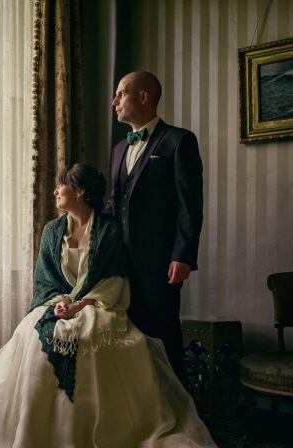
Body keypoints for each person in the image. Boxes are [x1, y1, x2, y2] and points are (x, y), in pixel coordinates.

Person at [0, 163, 236, 448]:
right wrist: (60, 305)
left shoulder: (110, 230)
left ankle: (94, 440)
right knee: (34, 341)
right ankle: (41, 442)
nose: (56, 190)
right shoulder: (51, 231)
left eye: (62, 185)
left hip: (98, 305)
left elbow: (115, 278)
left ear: (81, 191)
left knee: (92, 340)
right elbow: (44, 280)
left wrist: (83, 305)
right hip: (55, 306)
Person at [104, 70, 204, 384]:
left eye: (121, 93)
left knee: (163, 335)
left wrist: (183, 255)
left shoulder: (178, 140)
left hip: (160, 262)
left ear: (143, 96)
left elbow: (190, 203)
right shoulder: (120, 149)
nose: (114, 101)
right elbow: (114, 203)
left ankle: (178, 407)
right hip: (121, 262)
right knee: (129, 336)